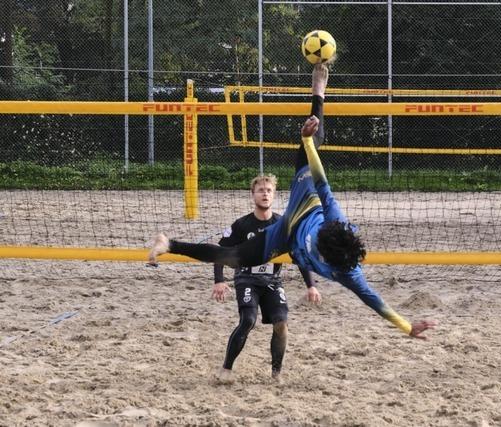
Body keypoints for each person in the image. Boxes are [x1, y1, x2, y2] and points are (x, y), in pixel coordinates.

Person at [149, 63, 436, 339]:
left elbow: (375, 301)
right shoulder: (334, 219)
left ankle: (170, 244)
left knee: (234, 258)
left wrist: (406, 326)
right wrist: (307, 142)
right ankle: (318, 92)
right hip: (302, 206)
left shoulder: (349, 274)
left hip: (287, 239)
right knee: (310, 147)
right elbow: (321, 178)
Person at [212, 173, 321, 383]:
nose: (265, 194)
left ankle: (276, 374)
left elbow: (299, 255)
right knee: (248, 321)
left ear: (274, 195)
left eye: (269, 190)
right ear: (252, 194)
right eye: (261, 190)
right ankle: (226, 369)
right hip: (247, 278)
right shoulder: (242, 225)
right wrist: (219, 280)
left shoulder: (283, 224)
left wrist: (311, 285)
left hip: (272, 281)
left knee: (281, 324)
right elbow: (220, 251)